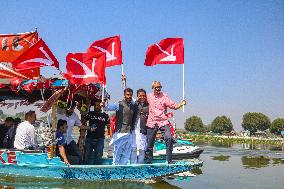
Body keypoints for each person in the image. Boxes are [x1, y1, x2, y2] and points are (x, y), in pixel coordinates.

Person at [145, 81, 186, 164]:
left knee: (169, 138)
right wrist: (124, 82)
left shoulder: (164, 96)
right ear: (153, 88)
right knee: (149, 142)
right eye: (156, 87)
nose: (158, 89)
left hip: (163, 121)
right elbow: (139, 99)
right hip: (152, 121)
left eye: (159, 87)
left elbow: (173, 106)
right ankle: (149, 160)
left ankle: (169, 160)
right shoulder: (148, 96)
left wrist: (182, 104)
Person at [103, 88, 137, 165]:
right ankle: (115, 167)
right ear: (124, 95)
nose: (129, 96)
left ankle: (123, 168)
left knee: (126, 153)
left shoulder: (133, 105)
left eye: (130, 95)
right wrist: (103, 104)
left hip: (129, 133)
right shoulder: (118, 104)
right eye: (127, 95)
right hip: (120, 133)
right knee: (117, 152)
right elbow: (107, 108)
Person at [83, 99, 110, 165]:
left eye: (98, 105)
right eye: (95, 105)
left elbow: (109, 126)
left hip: (100, 139)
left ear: (101, 106)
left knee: (98, 156)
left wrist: (108, 133)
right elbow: (83, 122)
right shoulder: (90, 114)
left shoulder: (105, 116)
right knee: (86, 155)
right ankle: (84, 169)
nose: (96, 107)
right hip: (89, 138)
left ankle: (96, 170)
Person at [130, 89, 149, 164]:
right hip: (134, 130)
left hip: (143, 130)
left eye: (143, 95)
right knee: (133, 148)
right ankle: (133, 164)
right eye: (140, 95)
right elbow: (127, 94)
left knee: (142, 149)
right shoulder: (134, 103)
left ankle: (140, 164)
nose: (142, 97)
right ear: (137, 96)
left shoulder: (148, 105)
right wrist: (124, 82)